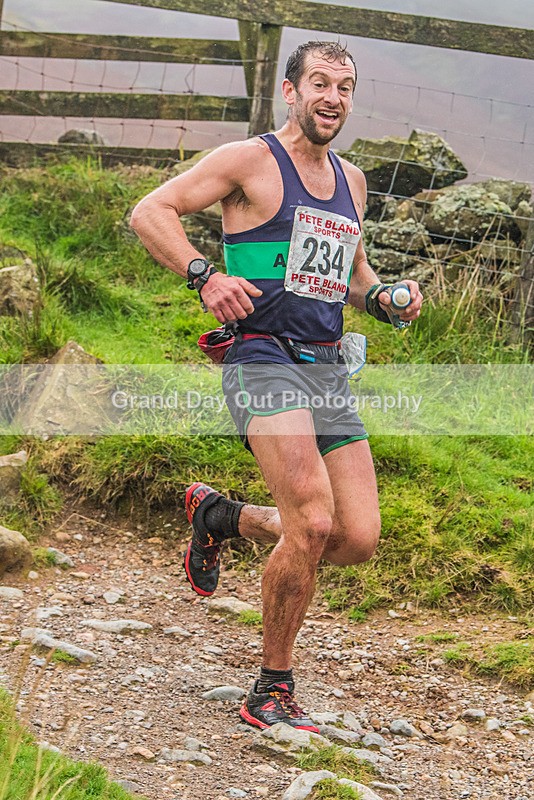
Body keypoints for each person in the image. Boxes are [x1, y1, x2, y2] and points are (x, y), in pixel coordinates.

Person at [130, 40, 423, 734]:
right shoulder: (249, 160)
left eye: (345, 87)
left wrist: (385, 297)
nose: (333, 98)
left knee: (354, 536)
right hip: (261, 356)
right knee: (314, 521)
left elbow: (350, 275)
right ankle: (272, 686)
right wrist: (205, 276)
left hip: (325, 364)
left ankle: (223, 518)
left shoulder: (351, 181)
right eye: (320, 83)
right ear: (290, 92)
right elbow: (152, 211)